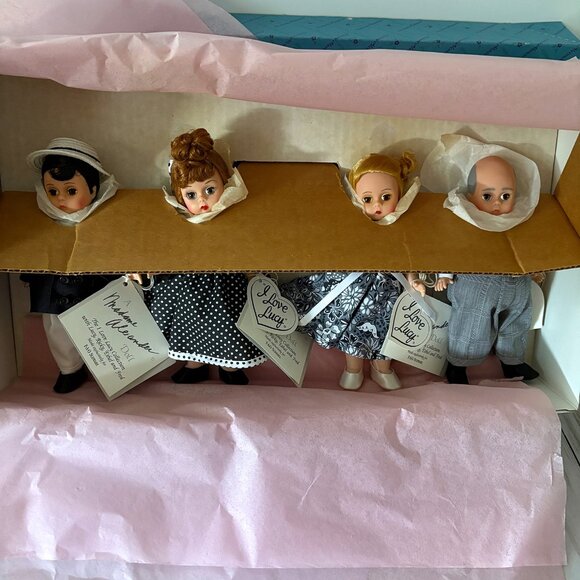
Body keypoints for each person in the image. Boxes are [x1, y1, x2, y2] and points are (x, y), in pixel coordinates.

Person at [281, 152, 418, 391]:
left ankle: (381, 369)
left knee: (388, 331)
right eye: (367, 199)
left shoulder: (405, 230)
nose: (377, 205)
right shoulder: (351, 226)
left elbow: (411, 260)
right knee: (352, 328)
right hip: (354, 291)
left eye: (386, 197)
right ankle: (353, 368)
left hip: (389, 294)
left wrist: (414, 280)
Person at [141, 128, 266, 385]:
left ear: (224, 184)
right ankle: (194, 363)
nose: (202, 201)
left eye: (209, 189)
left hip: (225, 284)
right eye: (191, 195)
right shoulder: (178, 223)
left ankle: (230, 366)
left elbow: (247, 247)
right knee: (189, 320)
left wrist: (254, 272)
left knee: (228, 321)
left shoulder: (235, 218)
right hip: (188, 284)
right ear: (180, 196)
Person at [21, 137, 118, 393]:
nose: (60, 199)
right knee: (57, 332)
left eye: (71, 191)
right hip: (55, 294)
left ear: (93, 190)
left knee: (101, 330)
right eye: (53, 191)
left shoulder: (106, 223)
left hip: (92, 291)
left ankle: (109, 370)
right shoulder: (41, 223)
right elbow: (33, 251)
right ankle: (69, 369)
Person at [438, 156, 538, 385]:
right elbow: (449, 248)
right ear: (471, 196)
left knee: (516, 323)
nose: (497, 204)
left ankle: (512, 361)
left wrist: (534, 269)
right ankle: (458, 365)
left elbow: (529, 249)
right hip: (476, 285)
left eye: (506, 196)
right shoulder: (466, 220)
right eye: (487, 196)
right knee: (470, 324)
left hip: (517, 285)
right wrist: (445, 274)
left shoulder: (521, 220)